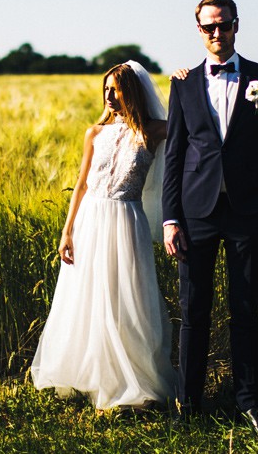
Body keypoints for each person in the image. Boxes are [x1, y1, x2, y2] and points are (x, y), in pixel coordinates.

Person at [162, 0, 258, 438]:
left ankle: (249, 402)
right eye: (209, 27)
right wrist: (170, 219)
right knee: (193, 311)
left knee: (245, 310)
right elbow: (174, 155)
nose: (217, 33)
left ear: (237, 24)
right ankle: (188, 403)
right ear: (199, 30)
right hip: (195, 215)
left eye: (224, 25)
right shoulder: (182, 84)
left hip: (247, 213)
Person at [30, 61, 176, 411]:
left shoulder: (154, 131)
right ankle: (90, 376)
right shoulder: (94, 133)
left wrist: (183, 86)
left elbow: (189, 128)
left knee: (127, 298)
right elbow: (80, 185)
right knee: (87, 297)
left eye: (117, 88)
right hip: (90, 220)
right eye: (106, 89)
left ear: (134, 91)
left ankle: (132, 381)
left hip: (126, 220)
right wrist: (67, 232)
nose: (110, 96)